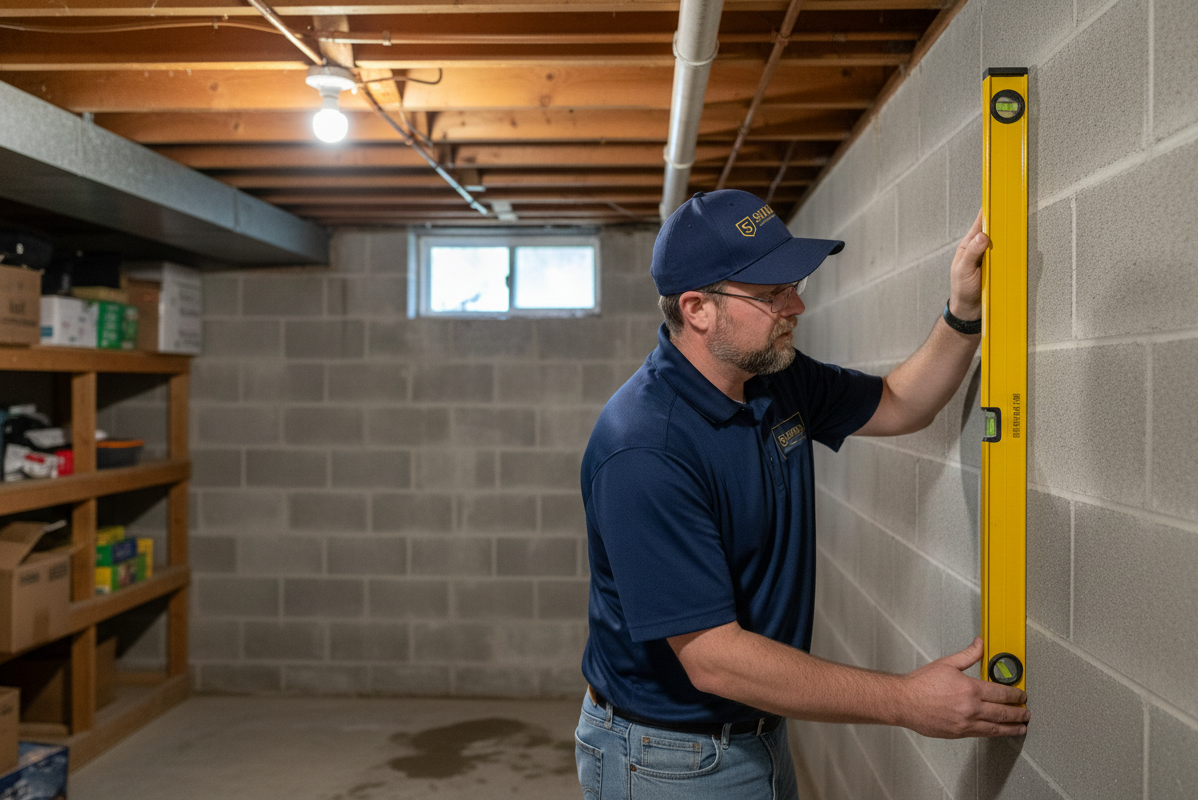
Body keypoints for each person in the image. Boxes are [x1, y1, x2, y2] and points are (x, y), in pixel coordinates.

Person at [574, 190, 1030, 800]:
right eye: (771, 295)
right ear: (697, 309)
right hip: (668, 759)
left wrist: (963, 311)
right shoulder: (644, 450)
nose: (798, 304)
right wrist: (905, 701)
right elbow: (713, 657)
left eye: (793, 284)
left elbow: (901, 404)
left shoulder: (773, 378)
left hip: (756, 731)